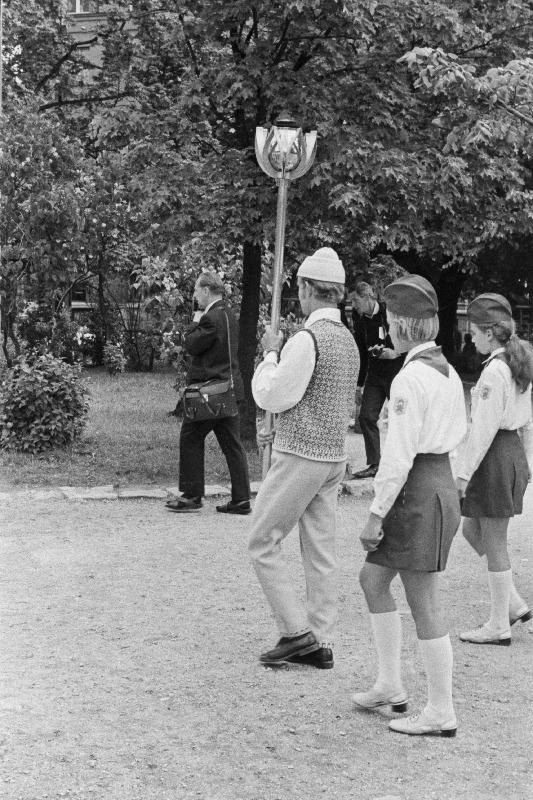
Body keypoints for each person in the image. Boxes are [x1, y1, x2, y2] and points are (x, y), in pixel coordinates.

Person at [354, 274, 467, 737]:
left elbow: (397, 457)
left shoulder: (409, 379)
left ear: (400, 326)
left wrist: (376, 512)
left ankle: (441, 709)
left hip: (416, 490)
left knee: (423, 599)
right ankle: (389, 684)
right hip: (437, 484)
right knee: (372, 579)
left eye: (391, 324)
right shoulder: (447, 370)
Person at [249, 248, 359, 669]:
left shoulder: (306, 340)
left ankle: (296, 632)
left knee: (262, 539)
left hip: (302, 453)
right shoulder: (348, 339)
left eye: (300, 288)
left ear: (309, 289)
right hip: (333, 455)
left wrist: (270, 354)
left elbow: (274, 394)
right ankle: (320, 635)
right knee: (320, 549)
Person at [456, 294, 533, 645]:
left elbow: (483, 430)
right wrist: (525, 462)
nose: (470, 337)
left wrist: (461, 474)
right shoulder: (516, 365)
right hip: (510, 452)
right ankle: (514, 604)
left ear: (489, 332)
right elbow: (528, 423)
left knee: (495, 542)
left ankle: (499, 623)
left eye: (473, 331)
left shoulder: (495, 371)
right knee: (473, 532)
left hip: (495, 456)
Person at [166, 272, 251, 515]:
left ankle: (192, 496)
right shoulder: (229, 314)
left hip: (210, 393)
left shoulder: (209, 318)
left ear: (206, 290)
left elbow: (191, 345)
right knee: (232, 444)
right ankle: (242, 499)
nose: (193, 295)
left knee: (190, 437)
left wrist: (194, 320)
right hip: (230, 389)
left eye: (195, 290)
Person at [349, 282, 405, 479]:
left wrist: (395, 352)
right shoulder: (360, 322)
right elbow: (362, 357)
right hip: (374, 374)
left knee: (401, 418)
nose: (353, 305)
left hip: (396, 372)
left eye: (355, 300)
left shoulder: (390, 313)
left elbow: (407, 340)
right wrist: (358, 386)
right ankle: (375, 464)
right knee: (366, 416)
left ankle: (402, 463)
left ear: (367, 297)